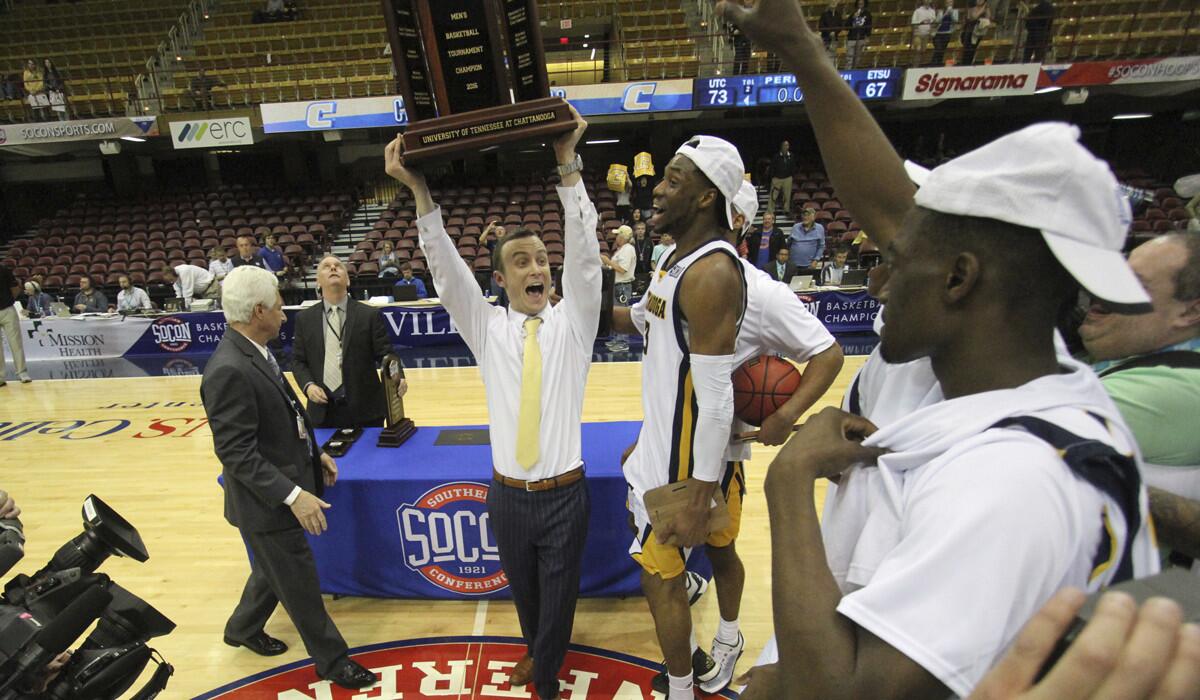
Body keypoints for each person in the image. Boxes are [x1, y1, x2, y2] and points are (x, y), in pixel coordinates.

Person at [719, 4, 1159, 699]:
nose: (878, 277)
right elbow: (888, 203)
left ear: (958, 278)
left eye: (897, 257)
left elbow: (845, 695)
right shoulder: (981, 371)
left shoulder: (1012, 481)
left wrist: (788, 484)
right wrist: (796, 49)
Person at [385, 107, 599, 700]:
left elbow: (584, 254)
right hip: (506, 496)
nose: (539, 268)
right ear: (501, 280)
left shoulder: (573, 325)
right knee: (528, 599)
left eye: (541, 260)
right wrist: (418, 188)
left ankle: (547, 679)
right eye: (522, 262)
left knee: (558, 601)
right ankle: (539, 653)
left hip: (564, 495)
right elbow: (447, 272)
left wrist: (567, 166)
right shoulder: (487, 329)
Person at [610, 134, 748, 700]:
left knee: (657, 581)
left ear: (706, 198)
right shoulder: (672, 259)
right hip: (665, 448)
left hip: (684, 470)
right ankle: (690, 672)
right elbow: (640, 322)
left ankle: (683, 688)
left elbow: (715, 400)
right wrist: (574, 300)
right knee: (664, 572)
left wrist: (699, 490)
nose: (655, 190)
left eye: (672, 180)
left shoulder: (713, 274)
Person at [200, 266, 375, 690]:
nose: (284, 310)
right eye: (278, 303)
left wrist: (316, 458)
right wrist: (294, 493)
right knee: (297, 579)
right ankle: (333, 661)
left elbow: (289, 418)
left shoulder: (254, 350)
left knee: (271, 570)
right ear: (258, 310)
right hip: (267, 503)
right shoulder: (228, 369)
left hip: (281, 488)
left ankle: (242, 627)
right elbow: (236, 453)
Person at [1078, 233, 1200, 571]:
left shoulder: (1177, 390)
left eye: (1133, 282)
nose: (1102, 290)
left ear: (1190, 312)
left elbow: (1005, 432)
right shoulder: (1139, 356)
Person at [291, 256, 393, 430]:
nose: (332, 268)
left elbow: (386, 355)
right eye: (326, 266)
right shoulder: (304, 319)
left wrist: (398, 377)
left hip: (366, 411)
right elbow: (298, 361)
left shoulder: (369, 315)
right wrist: (308, 386)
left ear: (347, 280)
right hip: (322, 412)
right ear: (318, 281)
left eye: (338, 266)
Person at [601, 225, 637, 352]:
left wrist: (607, 261)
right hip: (617, 285)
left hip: (622, 286)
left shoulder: (628, 249)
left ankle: (623, 341)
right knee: (615, 313)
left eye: (618, 235)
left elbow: (622, 269)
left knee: (621, 312)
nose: (616, 237)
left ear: (623, 237)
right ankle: (617, 339)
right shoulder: (622, 249)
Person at [0, 264, 31, 386]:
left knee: (16, 343)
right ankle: (1, 377)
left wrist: (8, 300)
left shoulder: (3, 269)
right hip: (7, 307)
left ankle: (22, 373)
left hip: (8, 309)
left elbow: (15, 288)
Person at [767, 140, 794, 216]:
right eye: (785, 145)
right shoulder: (776, 156)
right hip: (777, 178)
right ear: (781, 147)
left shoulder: (791, 156)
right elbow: (772, 167)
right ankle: (770, 211)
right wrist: (773, 177)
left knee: (787, 195)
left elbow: (793, 167)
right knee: (773, 196)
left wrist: (791, 175)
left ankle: (786, 210)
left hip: (787, 178)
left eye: (787, 145)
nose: (786, 147)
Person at [962, 0, 992, 65]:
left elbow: (989, 18)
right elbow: (973, 17)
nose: (978, 1)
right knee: (967, 50)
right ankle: (965, 64)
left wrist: (986, 9)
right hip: (969, 31)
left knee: (974, 49)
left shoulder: (986, 8)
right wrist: (982, 9)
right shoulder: (972, 7)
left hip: (979, 32)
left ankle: (970, 63)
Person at [845, 0, 873, 69]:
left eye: (862, 3)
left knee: (857, 59)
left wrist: (867, 37)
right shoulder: (853, 14)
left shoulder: (868, 14)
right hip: (851, 38)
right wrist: (853, 18)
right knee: (849, 58)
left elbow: (869, 27)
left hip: (861, 38)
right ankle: (848, 73)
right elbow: (846, 26)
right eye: (859, 3)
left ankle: (854, 72)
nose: (860, 4)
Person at [931, 0, 960, 65]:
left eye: (950, 2)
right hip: (938, 33)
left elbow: (956, 21)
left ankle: (938, 64)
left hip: (947, 33)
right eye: (947, 3)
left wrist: (951, 14)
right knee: (938, 48)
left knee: (942, 50)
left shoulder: (955, 11)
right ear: (945, 4)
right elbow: (937, 21)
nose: (949, 4)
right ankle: (932, 63)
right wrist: (945, 14)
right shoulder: (941, 12)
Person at [911, 0, 938, 64]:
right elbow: (914, 23)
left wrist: (932, 31)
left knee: (923, 51)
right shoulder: (917, 11)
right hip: (918, 34)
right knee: (918, 49)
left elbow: (933, 22)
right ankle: (915, 66)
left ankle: (921, 65)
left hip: (927, 34)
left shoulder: (932, 11)